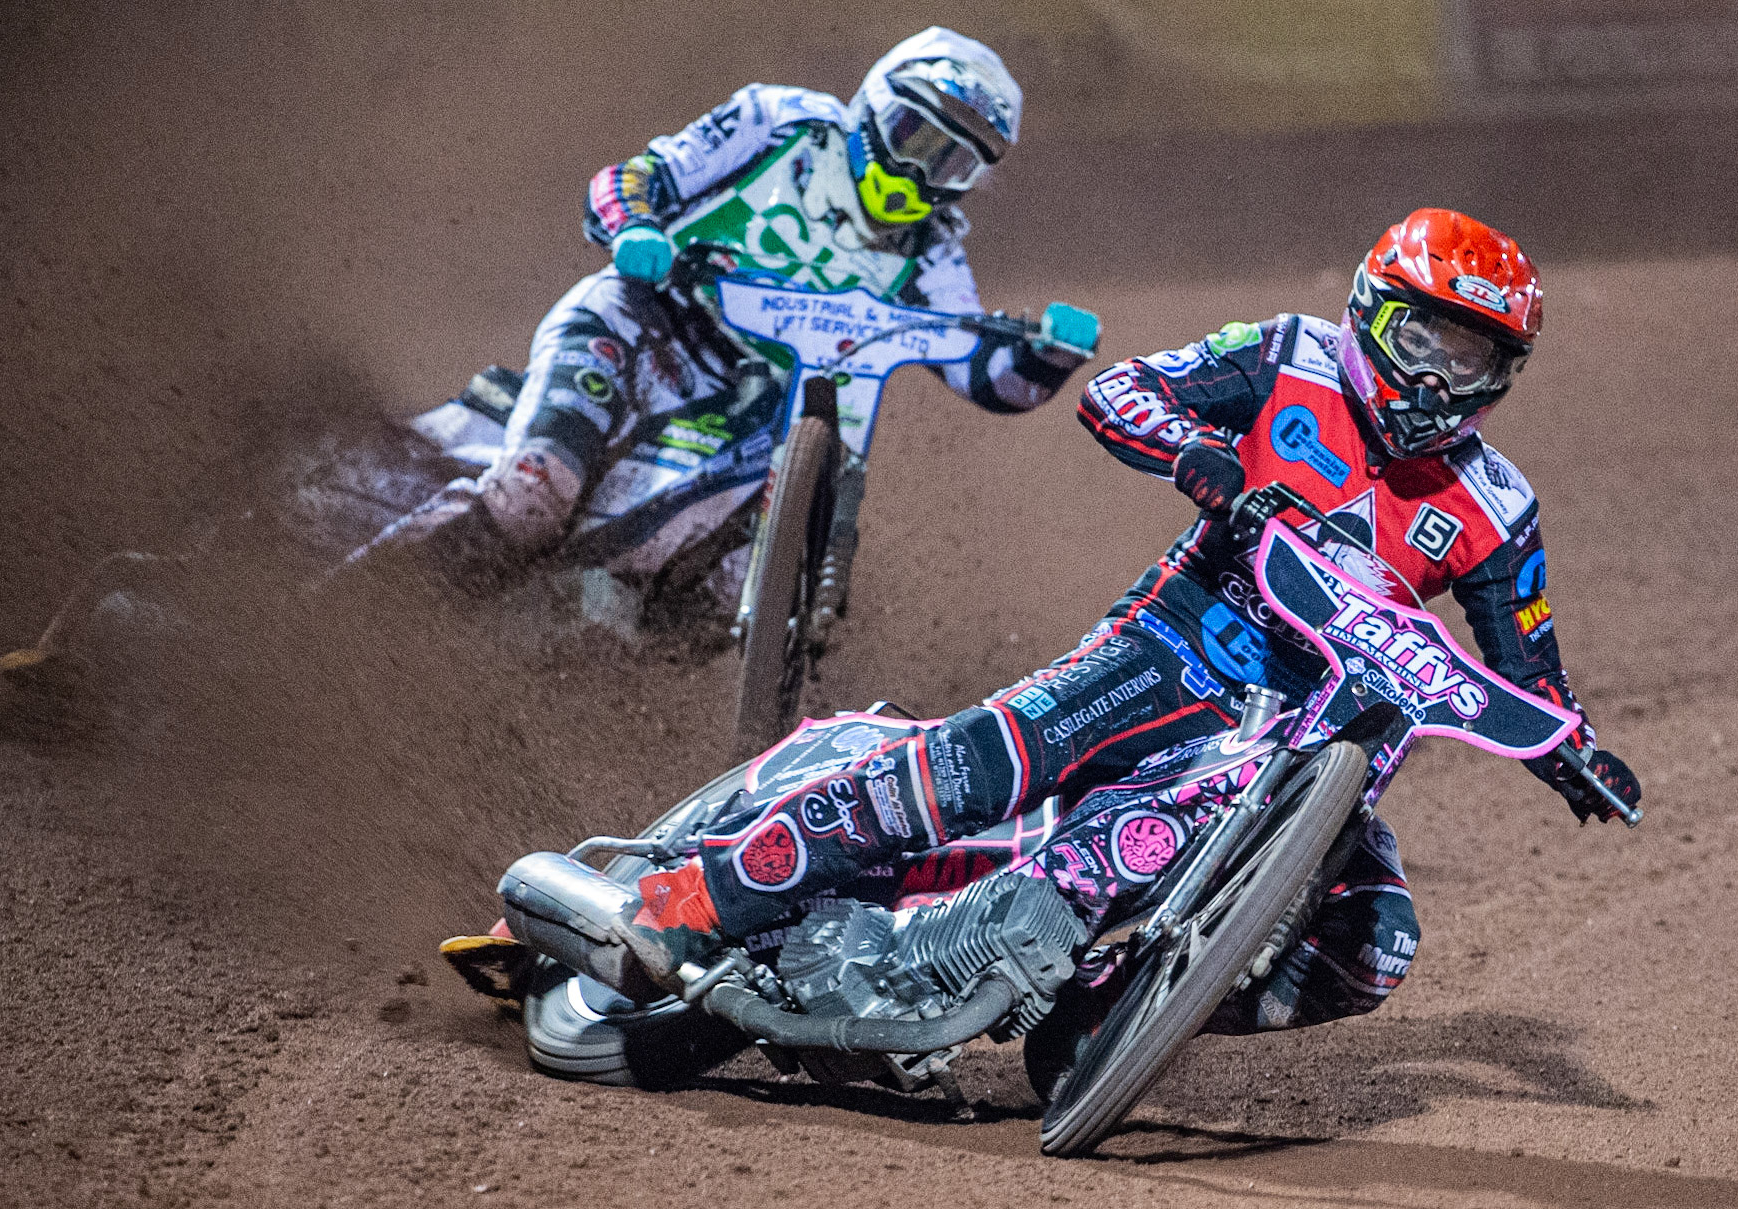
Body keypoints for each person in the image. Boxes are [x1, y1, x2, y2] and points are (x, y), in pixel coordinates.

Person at [610, 207, 1644, 1040]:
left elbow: (1529, 676)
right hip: (1173, 648)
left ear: (1501, 376)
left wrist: (1575, 755)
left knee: (1373, 947)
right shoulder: (1289, 355)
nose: (1432, 378)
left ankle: (1098, 1017)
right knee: (985, 768)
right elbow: (1121, 390)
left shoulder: (1496, 506)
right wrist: (1205, 464)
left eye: (1467, 358)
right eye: (1422, 339)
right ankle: (699, 897)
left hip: (1314, 746)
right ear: (1373, 312)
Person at [348, 26, 1099, 579]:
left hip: (751, 414)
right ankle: (361, 607)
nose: (915, 174)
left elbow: (977, 367)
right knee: (533, 495)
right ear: (872, 104)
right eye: (910, 136)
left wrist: (1048, 354)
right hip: (644, 324)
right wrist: (635, 227)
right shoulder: (783, 125)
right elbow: (631, 177)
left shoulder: (932, 250)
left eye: (950, 162)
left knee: (721, 579)